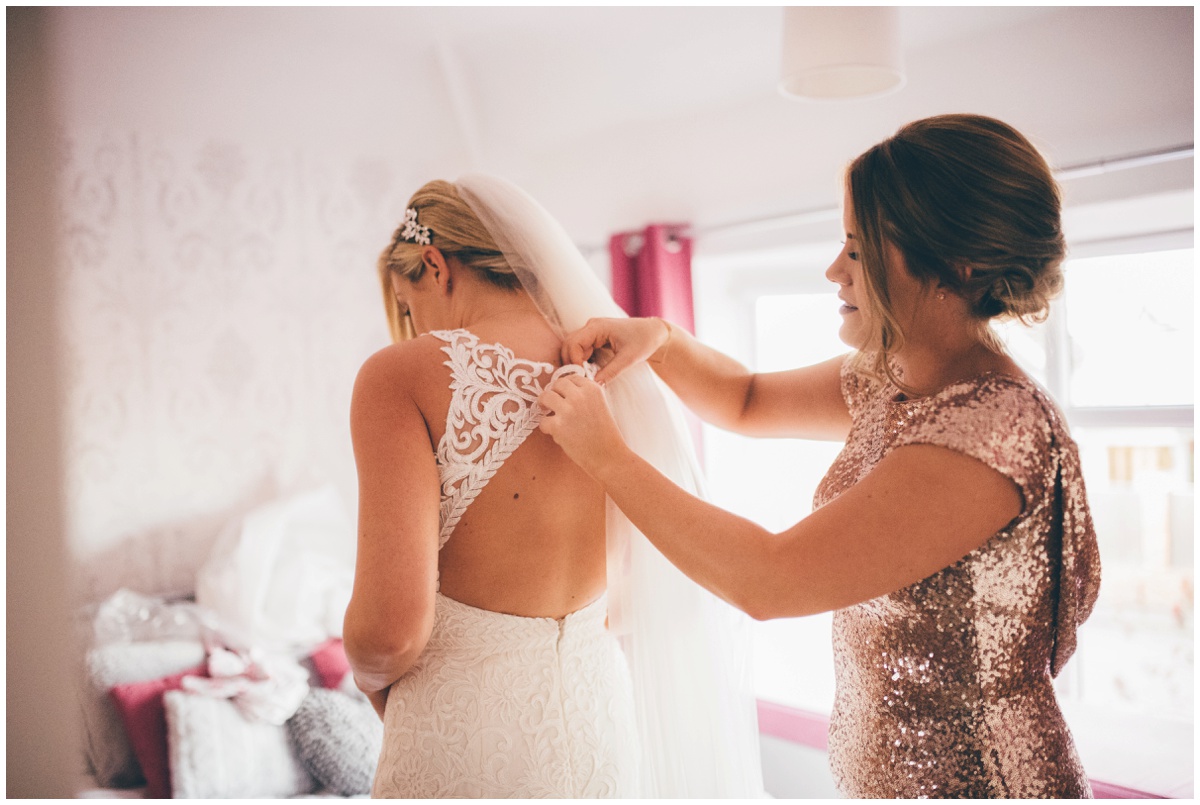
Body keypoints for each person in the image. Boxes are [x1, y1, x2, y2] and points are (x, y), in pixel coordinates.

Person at [539, 114, 1102, 798]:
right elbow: (744, 399)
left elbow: (770, 580)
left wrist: (608, 457)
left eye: (860, 251)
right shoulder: (892, 375)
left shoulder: (992, 428)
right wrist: (659, 338)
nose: (835, 269)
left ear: (958, 263)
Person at [342, 176, 762, 797]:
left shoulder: (400, 375)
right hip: (600, 728)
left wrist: (369, 675)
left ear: (435, 265)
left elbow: (391, 631)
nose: (414, 324)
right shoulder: (614, 367)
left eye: (408, 305)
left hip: (465, 744)